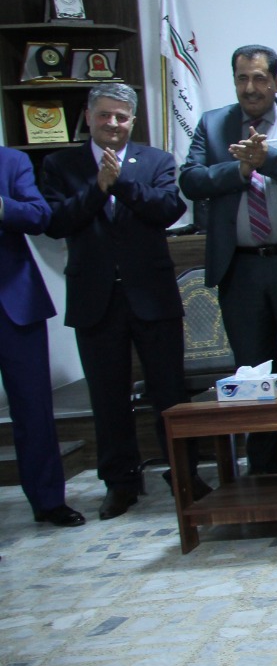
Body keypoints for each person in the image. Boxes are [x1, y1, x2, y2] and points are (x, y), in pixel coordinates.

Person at [179, 45, 277, 475]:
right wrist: (240, 171)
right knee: (251, 371)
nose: (250, 87)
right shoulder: (213, 124)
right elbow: (190, 180)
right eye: (242, 78)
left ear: (276, 82)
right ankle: (265, 463)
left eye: (260, 78)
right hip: (241, 268)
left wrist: (270, 160)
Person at [40, 83, 192, 520]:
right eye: (104, 115)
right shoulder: (60, 164)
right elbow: (55, 222)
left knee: (169, 392)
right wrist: (96, 188)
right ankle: (120, 482)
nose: (112, 123)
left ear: (133, 121)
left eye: (121, 117)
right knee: (108, 397)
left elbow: (167, 209)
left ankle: (183, 473)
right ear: (88, 117)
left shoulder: (156, 160)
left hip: (152, 296)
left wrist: (120, 183)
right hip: (95, 297)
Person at [0, 146, 84, 528]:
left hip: (15, 304)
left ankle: (48, 501)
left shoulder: (11, 161)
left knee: (33, 409)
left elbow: (39, 215)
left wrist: (2, 206)